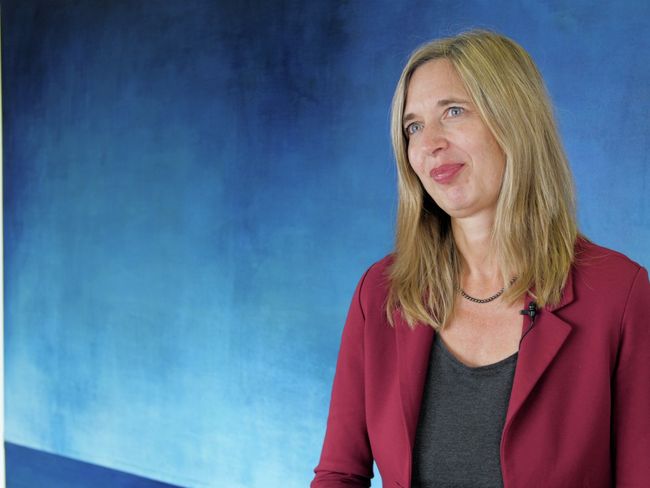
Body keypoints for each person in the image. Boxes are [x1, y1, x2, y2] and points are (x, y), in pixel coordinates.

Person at [311, 30, 650, 488]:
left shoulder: (618, 293)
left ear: (514, 120)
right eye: (413, 126)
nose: (429, 142)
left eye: (453, 112)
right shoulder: (381, 293)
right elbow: (339, 475)